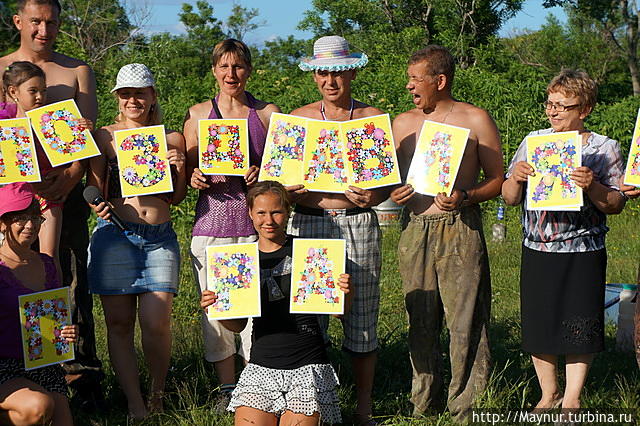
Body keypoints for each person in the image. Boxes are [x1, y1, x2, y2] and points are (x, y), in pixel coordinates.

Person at [390, 45, 503, 421]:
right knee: (419, 317)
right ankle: (423, 401)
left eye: (414, 78)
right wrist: (394, 194)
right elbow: (384, 183)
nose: (409, 86)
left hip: (461, 227)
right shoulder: (402, 124)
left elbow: (498, 179)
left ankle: (465, 405)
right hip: (416, 228)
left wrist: (467, 196)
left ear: (440, 81)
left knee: (464, 319)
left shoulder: (475, 119)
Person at [502, 69, 626, 414]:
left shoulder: (604, 149)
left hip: (583, 248)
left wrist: (593, 186)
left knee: (579, 321)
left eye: (562, 105)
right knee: (540, 320)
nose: (553, 111)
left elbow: (615, 204)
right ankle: (549, 393)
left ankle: (572, 397)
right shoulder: (533, 141)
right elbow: (509, 197)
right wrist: (516, 176)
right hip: (538, 246)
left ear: (584, 108)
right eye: (549, 104)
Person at [0, 0, 102, 407]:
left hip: (62, 193)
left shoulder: (76, 70)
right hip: (11, 197)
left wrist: (72, 177)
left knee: (67, 279)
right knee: (9, 275)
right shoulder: (2, 66)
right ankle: (14, 370)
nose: (44, 29)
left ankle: (78, 377)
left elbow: (86, 136)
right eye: (36, 21)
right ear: (18, 21)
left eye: (52, 22)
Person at [289, 35, 389, 425]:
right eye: (323, 72)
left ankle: (363, 407)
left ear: (352, 71)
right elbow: (277, 179)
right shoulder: (299, 119)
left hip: (357, 222)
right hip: (309, 221)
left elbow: (384, 183)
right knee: (311, 316)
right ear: (314, 75)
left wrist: (372, 196)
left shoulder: (370, 118)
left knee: (361, 314)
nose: (331, 80)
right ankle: (316, 405)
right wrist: (287, 190)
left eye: (338, 71)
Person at [200, 180, 350, 425]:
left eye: (276, 212)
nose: (268, 220)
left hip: (307, 364)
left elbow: (340, 313)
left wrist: (344, 292)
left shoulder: (311, 252)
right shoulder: (238, 261)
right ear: (250, 213)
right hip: (262, 365)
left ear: (288, 212)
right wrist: (217, 307)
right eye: (261, 213)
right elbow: (237, 326)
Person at [183, 38, 280, 409]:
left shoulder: (266, 113)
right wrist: (192, 177)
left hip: (257, 228)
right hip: (211, 225)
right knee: (218, 310)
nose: (231, 74)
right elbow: (186, 172)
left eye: (238, 66)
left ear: (249, 70)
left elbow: (285, 169)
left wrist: (264, 173)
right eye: (224, 66)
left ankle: (256, 388)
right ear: (213, 71)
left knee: (257, 312)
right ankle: (227, 390)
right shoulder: (197, 115)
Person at [86, 63, 186, 419]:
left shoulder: (172, 138)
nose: (133, 100)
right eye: (126, 94)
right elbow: (94, 186)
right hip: (114, 236)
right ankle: (134, 403)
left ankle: (158, 395)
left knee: (157, 322)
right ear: (117, 98)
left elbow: (177, 197)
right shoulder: (104, 136)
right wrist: (95, 202)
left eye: (140, 93)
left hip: (159, 238)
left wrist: (177, 167)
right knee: (118, 323)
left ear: (153, 95)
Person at [2, 61, 92, 280]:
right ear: (14, 92)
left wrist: (82, 130)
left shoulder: (53, 120)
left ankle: (54, 308)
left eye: (43, 90)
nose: (40, 96)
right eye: (33, 91)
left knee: (50, 257)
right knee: (7, 256)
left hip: (47, 196)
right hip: (12, 197)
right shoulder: (4, 123)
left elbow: (77, 152)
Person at [0, 182, 78, 426]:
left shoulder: (46, 263)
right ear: (3, 223)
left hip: (43, 363)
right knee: (39, 407)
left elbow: (53, 318)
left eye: (36, 217)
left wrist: (66, 331)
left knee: (60, 419)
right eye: (21, 218)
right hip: (4, 366)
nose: (31, 225)